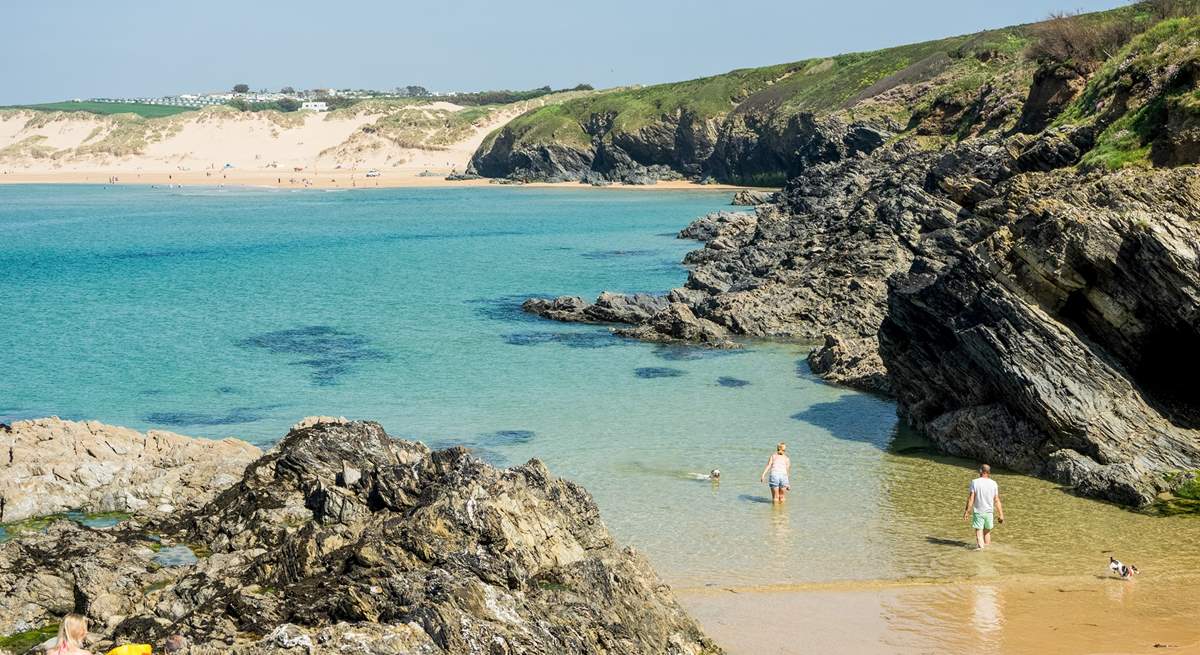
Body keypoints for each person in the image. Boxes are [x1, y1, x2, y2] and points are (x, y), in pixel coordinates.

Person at [963, 464, 1004, 550]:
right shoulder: (994, 483)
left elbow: (971, 498)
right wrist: (1001, 514)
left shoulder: (975, 482)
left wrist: (967, 511)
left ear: (981, 471)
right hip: (989, 512)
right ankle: (987, 550)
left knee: (979, 532)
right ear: (989, 472)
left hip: (979, 511)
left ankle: (980, 549)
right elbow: (996, 500)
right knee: (987, 533)